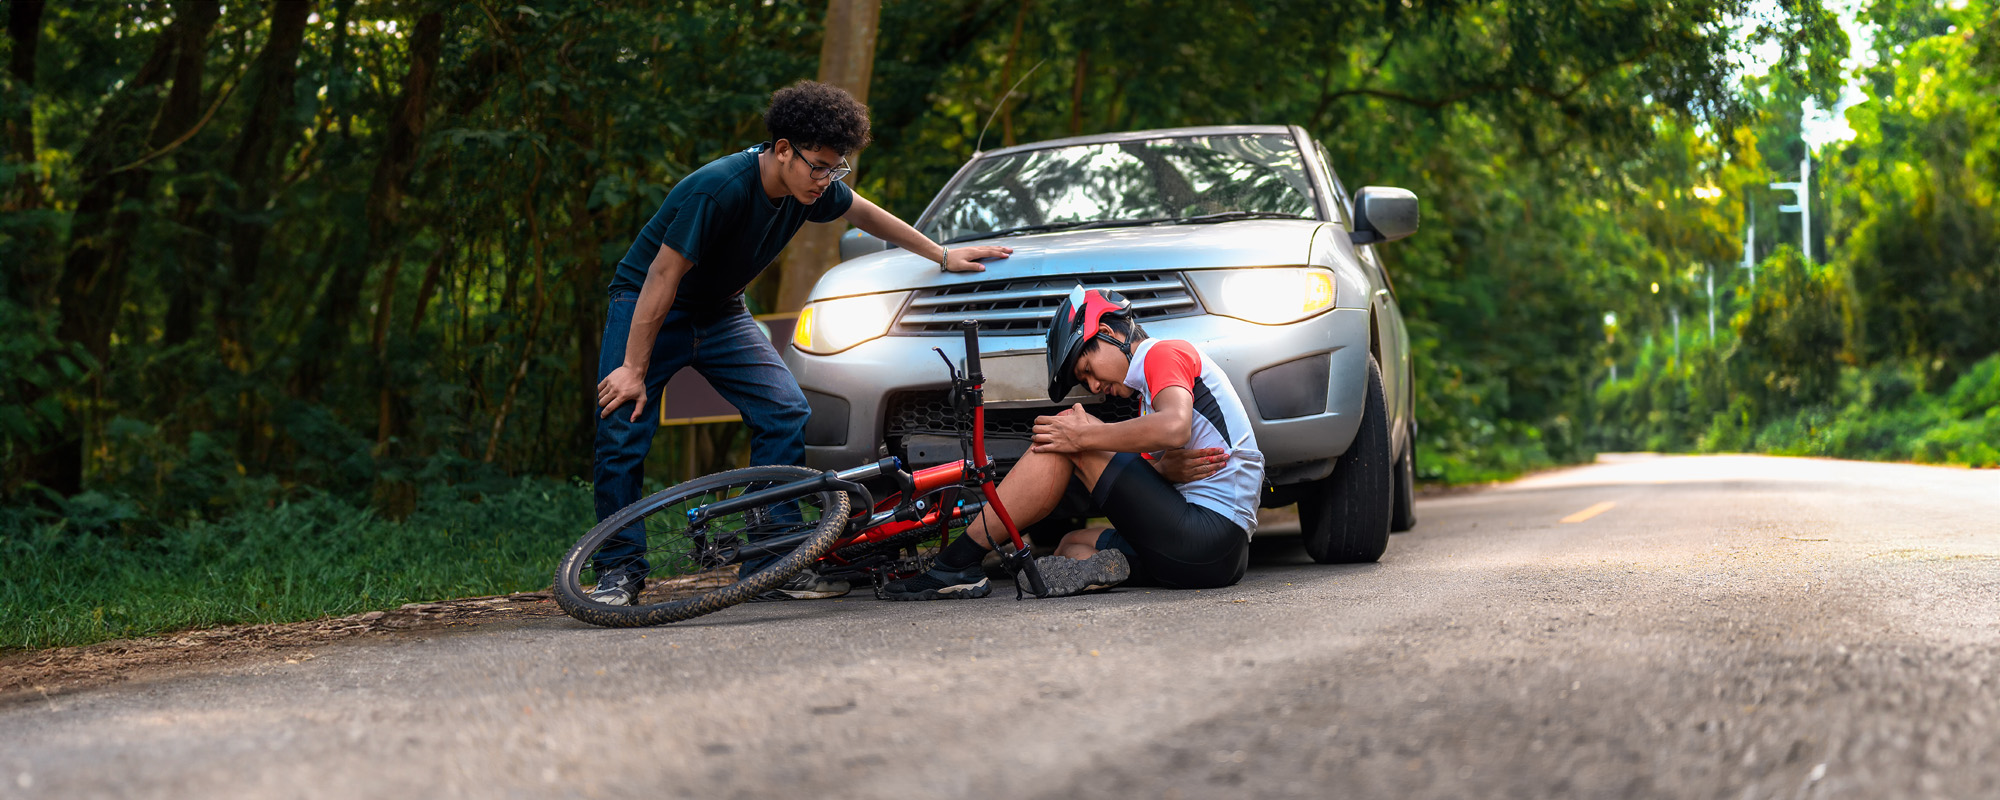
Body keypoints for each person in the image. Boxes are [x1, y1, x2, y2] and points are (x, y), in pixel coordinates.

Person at [590, 80, 1012, 606]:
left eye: (837, 168)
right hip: (651, 305)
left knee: (785, 411)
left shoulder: (808, 187)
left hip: (721, 312)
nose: (826, 180)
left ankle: (771, 561)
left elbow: (864, 212)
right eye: (819, 166)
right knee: (622, 424)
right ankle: (619, 570)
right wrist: (633, 367)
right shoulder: (718, 188)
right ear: (782, 150)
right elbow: (661, 274)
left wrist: (942, 256)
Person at [881, 287, 1266, 600]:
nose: (1095, 386)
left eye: (1087, 370)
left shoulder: (1163, 353)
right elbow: (1150, 472)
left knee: (1068, 426)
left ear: (1111, 333)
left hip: (1208, 534)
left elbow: (1176, 427)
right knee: (1071, 544)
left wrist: (1082, 435)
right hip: (1217, 560)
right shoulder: (1149, 397)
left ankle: (956, 563)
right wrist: (1163, 469)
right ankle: (1113, 570)